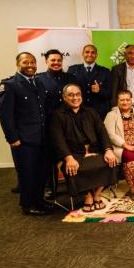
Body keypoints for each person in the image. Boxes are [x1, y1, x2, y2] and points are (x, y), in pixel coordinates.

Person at [49, 84, 117, 213]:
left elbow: (102, 132)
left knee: (111, 162)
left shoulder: (91, 112)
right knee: (73, 169)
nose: (75, 98)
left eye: (78, 94)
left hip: (93, 151)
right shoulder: (57, 115)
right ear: (64, 97)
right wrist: (68, 158)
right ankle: (87, 196)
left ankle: (97, 194)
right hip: (72, 155)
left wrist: (108, 150)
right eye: (71, 95)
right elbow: (58, 140)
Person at [0, 52, 50, 215]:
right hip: (23, 140)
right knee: (27, 173)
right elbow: (5, 115)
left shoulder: (39, 83)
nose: (30, 65)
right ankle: (28, 205)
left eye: (33, 62)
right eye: (25, 62)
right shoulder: (10, 85)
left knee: (41, 172)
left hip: (41, 137)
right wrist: (12, 138)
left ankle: (39, 200)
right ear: (17, 64)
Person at [104, 90, 134, 202]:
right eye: (122, 100)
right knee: (130, 157)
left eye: (127, 99)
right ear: (117, 101)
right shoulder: (111, 115)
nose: (125, 102)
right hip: (122, 147)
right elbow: (110, 134)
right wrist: (127, 146)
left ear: (132, 100)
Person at [68, 44, 111, 119]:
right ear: (82, 53)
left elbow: (110, 93)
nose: (90, 54)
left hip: (98, 113)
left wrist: (100, 90)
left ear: (96, 55)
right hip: (78, 111)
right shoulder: (72, 70)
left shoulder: (105, 71)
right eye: (87, 52)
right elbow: (67, 91)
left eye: (93, 52)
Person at [37, 49, 77, 117]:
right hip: (48, 120)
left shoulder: (71, 78)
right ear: (46, 61)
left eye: (59, 60)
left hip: (69, 120)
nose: (56, 62)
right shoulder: (38, 79)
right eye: (53, 60)